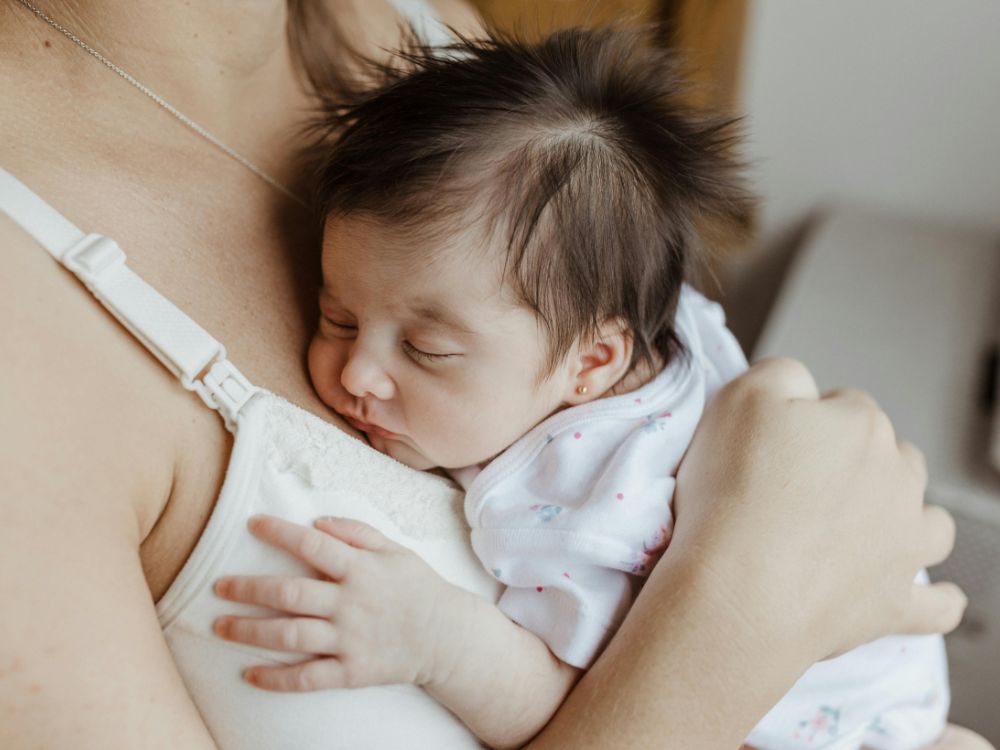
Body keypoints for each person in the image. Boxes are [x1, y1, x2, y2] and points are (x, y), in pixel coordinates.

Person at [0, 1, 986, 748]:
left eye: (426, 350)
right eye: (336, 317)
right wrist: (746, 597)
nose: (355, 371)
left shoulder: (434, 55)